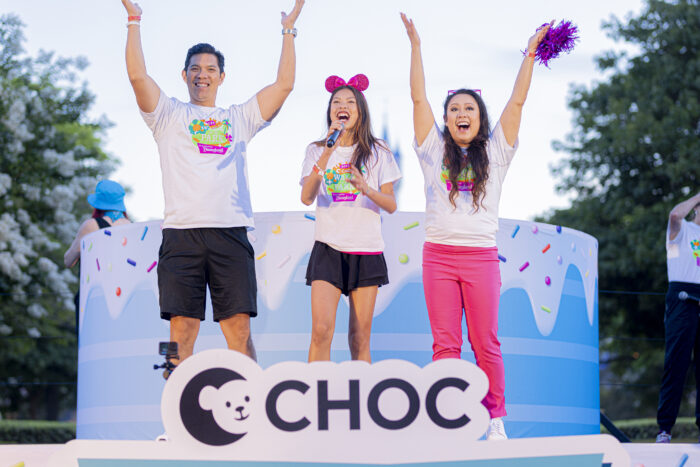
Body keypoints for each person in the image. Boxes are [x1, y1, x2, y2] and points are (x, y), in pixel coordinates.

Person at [121, 0, 304, 367]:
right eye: (195, 69)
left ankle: (252, 412)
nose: (202, 74)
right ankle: (174, 416)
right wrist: (134, 19)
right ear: (184, 75)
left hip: (230, 235)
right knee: (179, 334)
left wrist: (288, 30)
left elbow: (284, 85)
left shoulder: (239, 118)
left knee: (238, 333)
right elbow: (139, 77)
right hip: (181, 236)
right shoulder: (168, 115)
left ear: (222, 76)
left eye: (210, 69)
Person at [400, 13, 551, 440]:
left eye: (468, 108)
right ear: (446, 119)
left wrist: (530, 54)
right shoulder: (432, 150)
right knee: (445, 345)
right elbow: (417, 100)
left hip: (481, 257)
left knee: (486, 342)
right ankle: (447, 417)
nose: (460, 114)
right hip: (439, 257)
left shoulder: (498, 152)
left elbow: (517, 103)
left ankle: (494, 418)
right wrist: (415, 47)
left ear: (479, 118)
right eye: (453, 109)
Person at [300, 75, 401, 363]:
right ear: (330, 110)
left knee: (359, 337)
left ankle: (361, 402)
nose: (342, 106)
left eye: (349, 102)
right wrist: (328, 152)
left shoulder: (378, 151)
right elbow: (307, 197)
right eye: (336, 102)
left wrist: (365, 188)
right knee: (321, 330)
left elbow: (391, 204)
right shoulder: (317, 149)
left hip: (365, 249)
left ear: (361, 111)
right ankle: (316, 398)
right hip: (328, 247)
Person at [656, 192, 700, 443]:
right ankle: (665, 429)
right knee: (676, 363)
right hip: (682, 296)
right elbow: (674, 214)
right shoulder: (682, 229)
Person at [64, 180, 131, 330]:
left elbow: (69, 260)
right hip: (121, 297)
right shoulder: (130, 226)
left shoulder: (91, 225)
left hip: (93, 297)